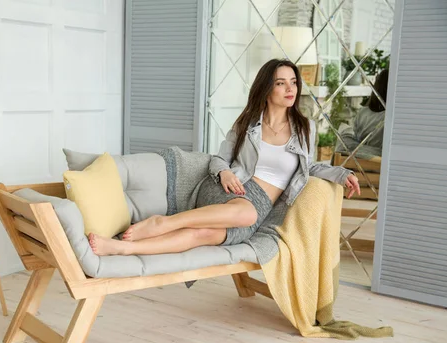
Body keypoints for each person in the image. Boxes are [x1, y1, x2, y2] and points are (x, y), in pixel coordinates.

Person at [89, 59, 360, 256]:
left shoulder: (305, 127)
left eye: (293, 82)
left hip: (258, 210)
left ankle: (122, 248)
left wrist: (342, 174)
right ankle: (162, 223)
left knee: (201, 235)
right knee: (243, 211)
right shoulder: (247, 124)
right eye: (281, 83)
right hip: (231, 191)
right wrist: (225, 173)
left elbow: (309, 166)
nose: (290, 89)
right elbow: (219, 159)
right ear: (267, 89)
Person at [335, 69, 389, 159]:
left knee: (346, 136)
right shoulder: (390, 117)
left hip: (356, 162)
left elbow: (356, 136)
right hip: (376, 163)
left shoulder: (363, 112)